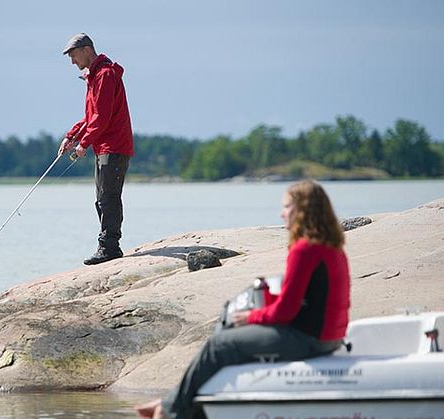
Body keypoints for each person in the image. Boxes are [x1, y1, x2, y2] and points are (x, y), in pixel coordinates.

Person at [135, 180, 351, 419]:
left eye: (287, 206)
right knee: (232, 339)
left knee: (219, 345)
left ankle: (168, 411)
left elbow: (286, 312)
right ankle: (174, 403)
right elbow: (306, 300)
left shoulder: (304, 249)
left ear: (302, 210)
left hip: (309, 339)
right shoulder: (333, 247)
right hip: (330, 338)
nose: (281, 213)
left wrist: (251, 316)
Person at [58, 33, 134, 265]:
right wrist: (72, 136)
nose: (72, 61)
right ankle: (108, 245)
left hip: (114, 146)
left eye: (73, 55)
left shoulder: (105, 75)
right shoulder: (94, 77)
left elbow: (101, 118)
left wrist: (83, 144)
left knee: (109, 197)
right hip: (103, 146)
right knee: (101, 198)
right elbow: (91, 117)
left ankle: (110, 247)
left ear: (86, 49)